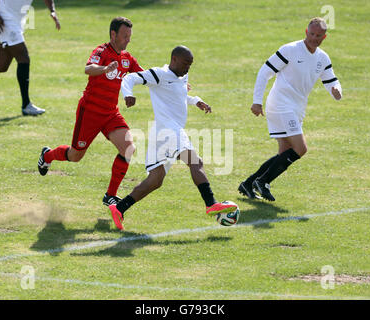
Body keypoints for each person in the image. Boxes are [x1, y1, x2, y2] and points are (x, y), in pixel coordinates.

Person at [108, 45, 238, 230]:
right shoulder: (159, 74)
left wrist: (196, 100)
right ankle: (211, 204)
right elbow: (130, 78)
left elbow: (179, 93)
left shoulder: (181, 75)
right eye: (186, 63)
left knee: (156, 180)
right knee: (195, 162)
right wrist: (128, 94)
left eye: (190, 65)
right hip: (169, 130)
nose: (188, 68)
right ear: (174, 59)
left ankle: (119, 208)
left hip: (161, 133)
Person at [37, 17, 143, 206]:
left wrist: (174, 83)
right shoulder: (102, 51)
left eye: (130, 36)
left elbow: (145, 75)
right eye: (125, 36)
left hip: (111, 113)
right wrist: (105, 68)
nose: (128, 40)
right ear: (113, 34)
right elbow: (88, 68)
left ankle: (110, 195)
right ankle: (47, 155)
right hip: (90, 112)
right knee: (75, 156)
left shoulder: (127, 59)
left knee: (128, 148)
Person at [238, 17, 342, 201]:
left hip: (297, 108)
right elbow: (264, 71)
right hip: (280, 104)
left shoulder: (322, 57)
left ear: (324, 37)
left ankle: (249, 183)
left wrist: (336, 90)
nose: (314, 38)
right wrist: (256, 101)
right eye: (311, 34)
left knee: (285, 151)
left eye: (318, 35)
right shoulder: (290, 50)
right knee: (300, 148)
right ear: (306, 32)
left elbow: (331, 80)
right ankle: (262, 182)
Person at [0, 0, 61, 116]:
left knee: (1, 66)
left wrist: (52, 11)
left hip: (17, 22)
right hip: (4, 21)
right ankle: (26, 105)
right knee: (23, 58)